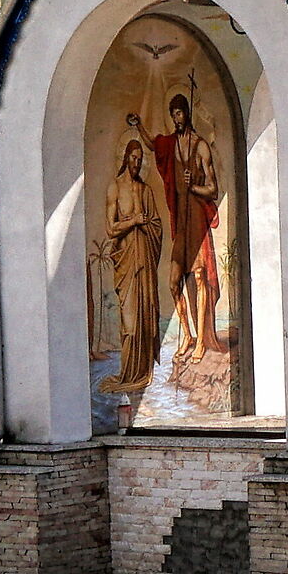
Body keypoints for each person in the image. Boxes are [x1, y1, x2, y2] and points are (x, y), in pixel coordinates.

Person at [131, 93, 223, 363]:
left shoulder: (200, 146)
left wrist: (193, 186)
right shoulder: (171, 144)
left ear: (186, 113)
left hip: (197, 220)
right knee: (174, 282)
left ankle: (202, 341)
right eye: (173, 115)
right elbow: (152, 145)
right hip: (181, 222)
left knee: (199, 277)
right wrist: (139, 125)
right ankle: (187, 334)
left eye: (179, 114)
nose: (176, 119)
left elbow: (214, 190)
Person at [103, 137, 163, 392]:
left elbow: (157, 226)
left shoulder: (146, 191)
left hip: (144, 262)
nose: (137, 163)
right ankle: (127, 375)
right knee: (130, 324)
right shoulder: (115, 188)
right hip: (126, 262)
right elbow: (110, 228)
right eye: (133, 158)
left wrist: (146, 223)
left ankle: (143, 373)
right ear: (125, 158)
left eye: (140, 159)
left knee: (145, 318)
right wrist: (134, 221)